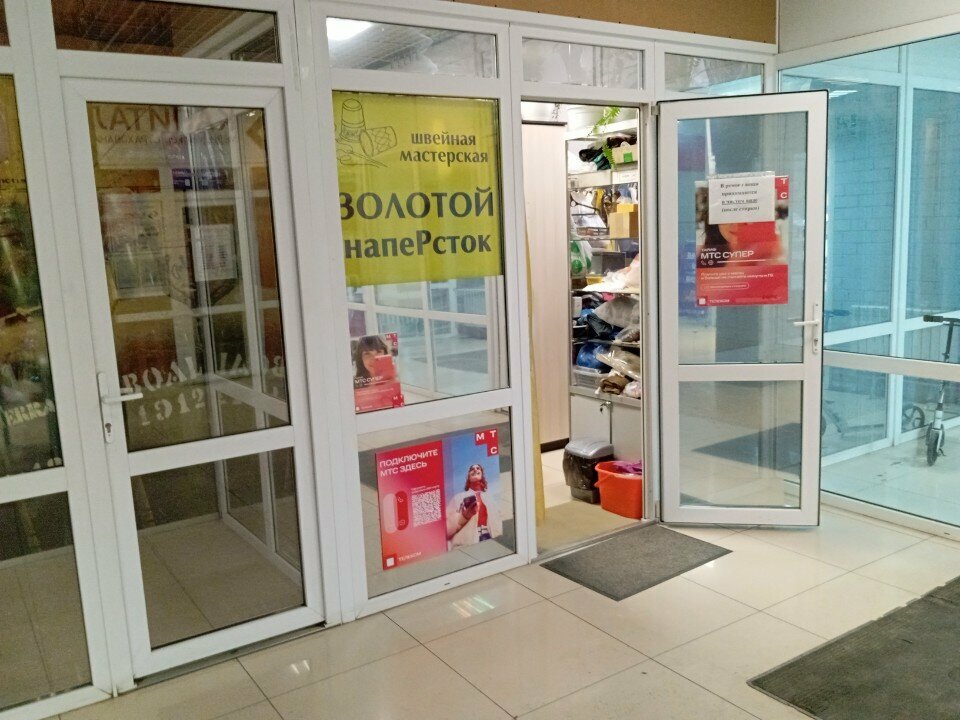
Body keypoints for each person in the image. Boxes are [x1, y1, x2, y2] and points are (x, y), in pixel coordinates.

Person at [446, 463, 502, 547]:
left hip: (492, 539)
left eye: (478, 468)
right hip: (467, 544)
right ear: (468, 477)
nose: (475, 470)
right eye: (472, 469)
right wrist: (463, 516)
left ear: (482, 475)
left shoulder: (490, 498)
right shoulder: (458, 498)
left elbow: (499, 518)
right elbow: (446, 528)